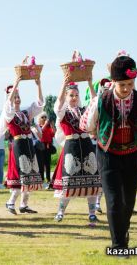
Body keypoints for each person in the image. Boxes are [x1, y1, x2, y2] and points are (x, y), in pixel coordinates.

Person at [80, 55, 137, 253]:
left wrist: (136, 135)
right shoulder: (101, 100)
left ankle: (122, 231)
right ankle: (118, 245)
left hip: (133, 154)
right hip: (108, 155)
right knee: (114, 200)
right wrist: (101, 134)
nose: (126, 88)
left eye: (130, 84)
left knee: (128, 202)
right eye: (122, 84)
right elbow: (86, 125)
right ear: (114, 82)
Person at [52, 79, 101, 225]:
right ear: (66, 97)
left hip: (86, 145)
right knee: (68, 183)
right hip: (71, 147)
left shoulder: (83, 110)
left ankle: (92, 214)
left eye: (76, 95)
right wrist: (63, 83)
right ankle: (60, 212)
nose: (74, 98)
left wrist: (90, 82)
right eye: (71, 95)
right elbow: (58, 104)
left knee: (91, 181)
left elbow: (95, 102)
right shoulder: (62, 112)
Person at [0, 77, 44, 215]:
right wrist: (16, 84)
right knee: (20, 175)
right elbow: (7, 106)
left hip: (28, 144)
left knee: (29, 175)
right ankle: (10, 202)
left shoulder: (25, 113)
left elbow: (39, 104)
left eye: (18, 96)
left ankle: (24, 205)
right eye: (14, 97)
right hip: (18, 145)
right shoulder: (9, 114)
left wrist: (38, 85)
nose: (17, 99)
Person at [32, 112, 55, 189]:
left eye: (45, 117)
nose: (44, 118)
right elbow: (40, 132)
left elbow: (53, 134)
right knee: (41, 164)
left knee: (48, 164)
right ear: (39, 118)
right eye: (42, 117)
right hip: (40, 147)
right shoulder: (38, 126)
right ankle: (42, 180)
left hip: (48, 146)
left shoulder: (48, 127)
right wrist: (45, 124)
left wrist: (52, 125)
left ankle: (48, 180)